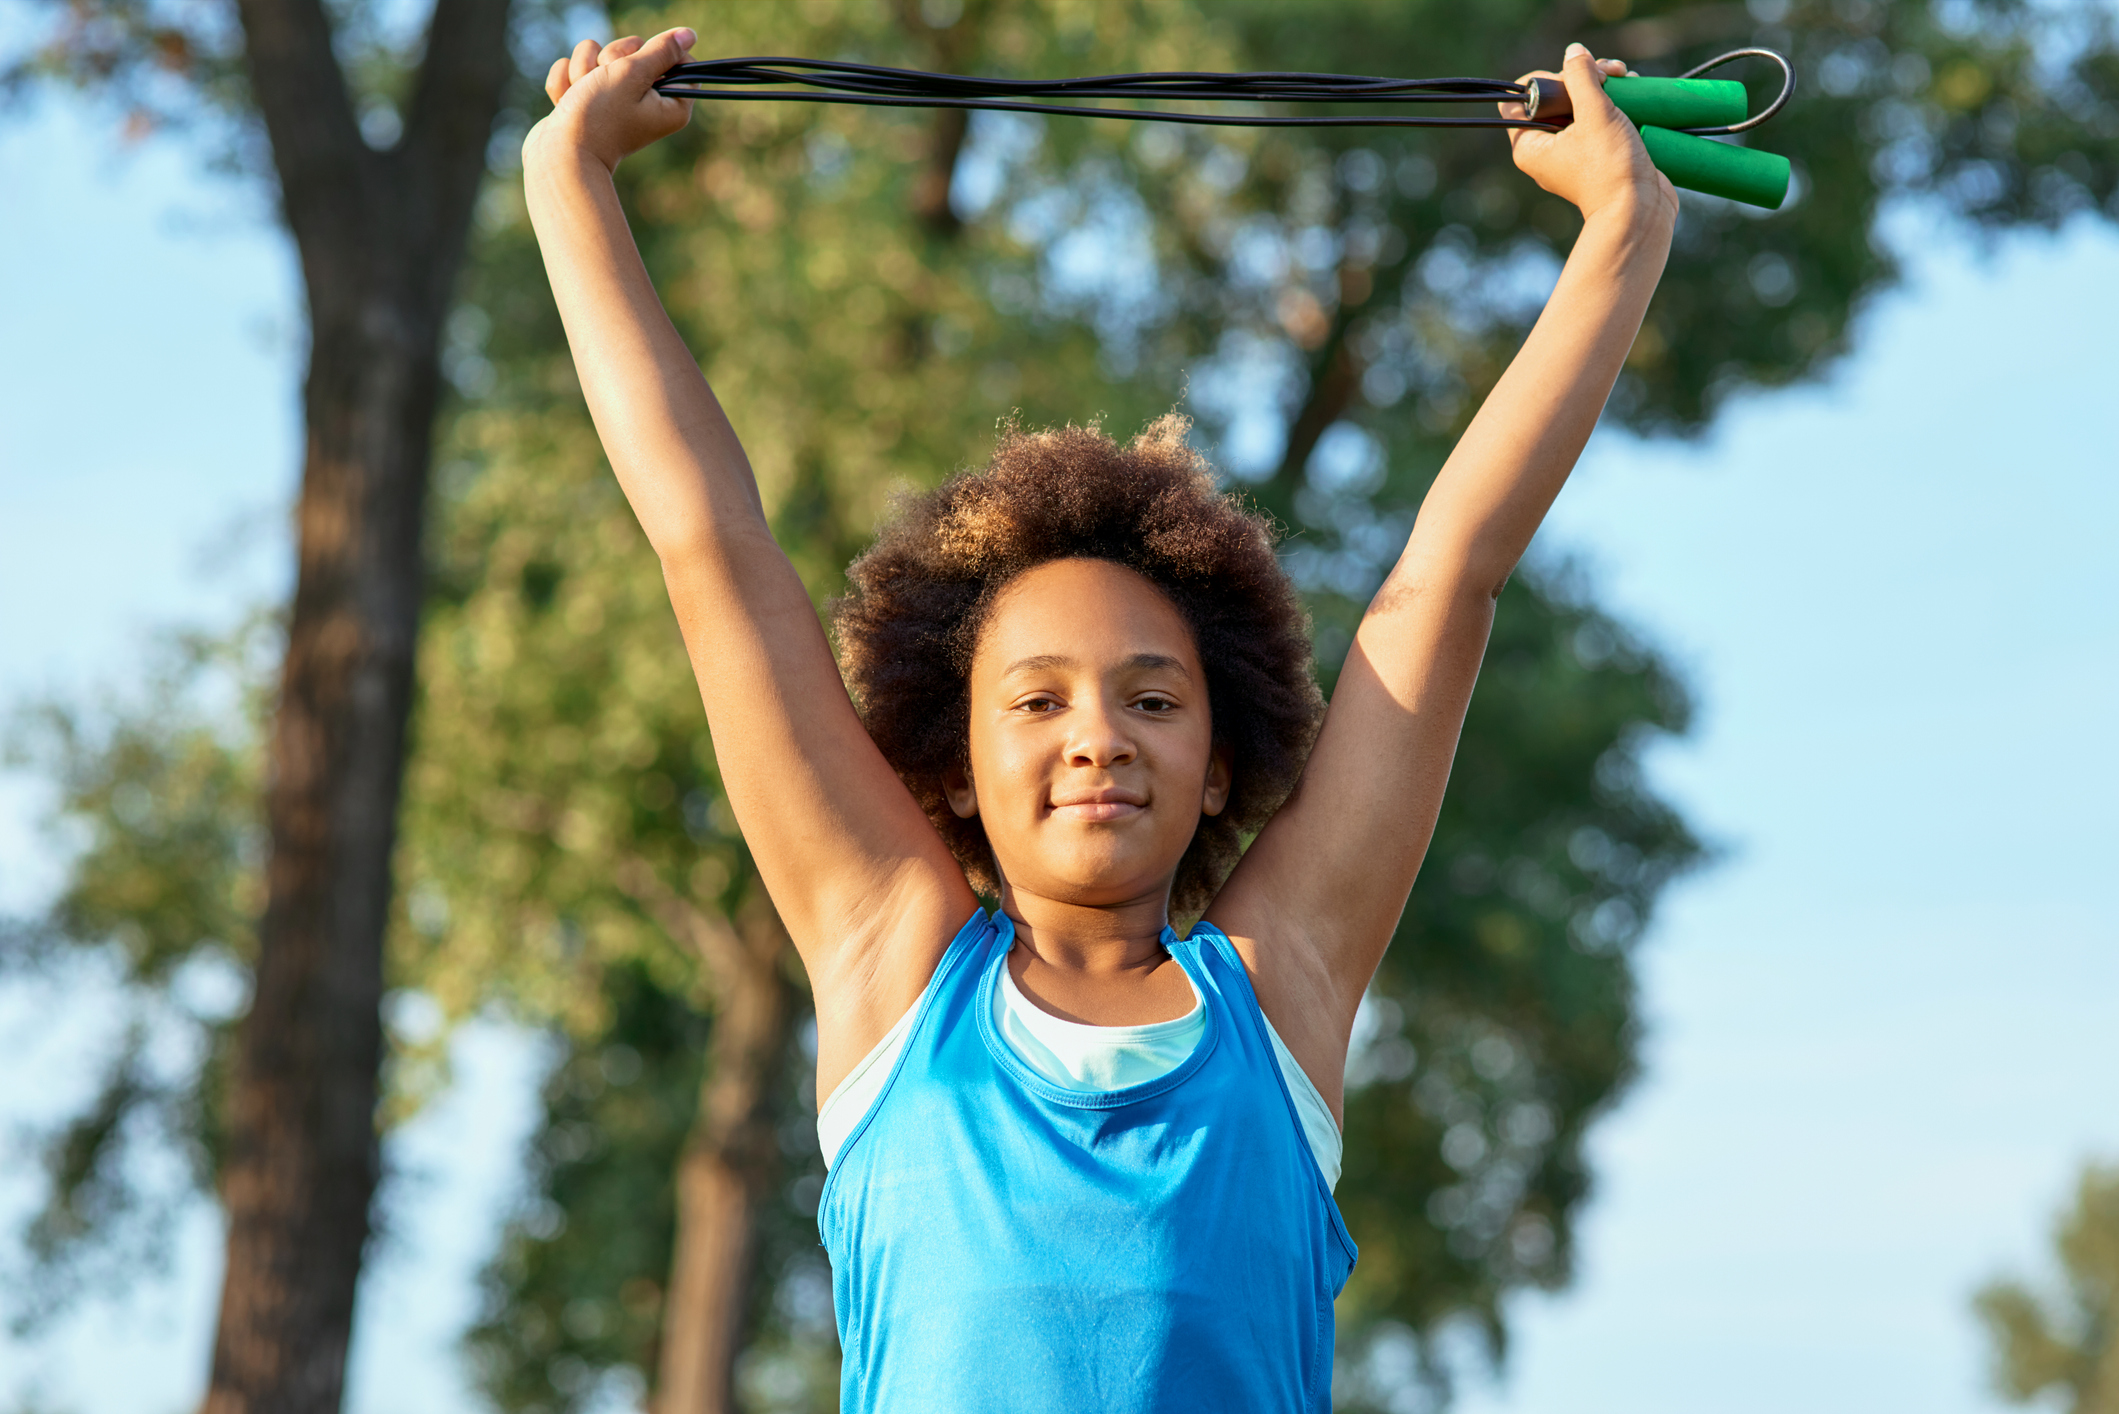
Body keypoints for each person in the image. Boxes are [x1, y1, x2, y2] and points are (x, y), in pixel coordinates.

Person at [523, 26, 1673, 1412]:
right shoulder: (892, 968)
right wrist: (568, 184)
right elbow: (711, 548)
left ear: (1217, 763)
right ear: (953, 767)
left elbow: (1447, 579)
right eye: (1039, 698)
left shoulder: (1282, 984)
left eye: (1152, 697)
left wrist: (1621, 232)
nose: (1098, 735)